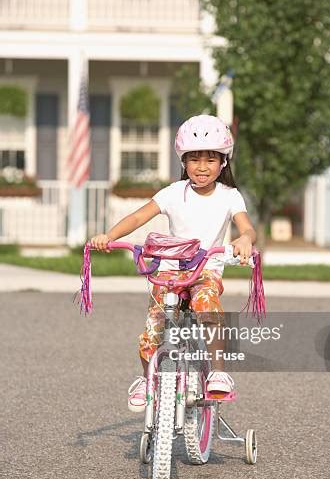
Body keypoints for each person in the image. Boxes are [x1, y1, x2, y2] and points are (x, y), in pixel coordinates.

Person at [90, 114, 256, 412]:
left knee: (207, 304)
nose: (202, 167)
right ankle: (146, 379)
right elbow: (139, 216)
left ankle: (218, 372)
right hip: (170, 270)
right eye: (194, 159)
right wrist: (109, 235)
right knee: (155, 322)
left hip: (205, 270)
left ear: (223, 163)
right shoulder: (172, 194)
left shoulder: (229, 197)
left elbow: (247, 227)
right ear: (183, 162)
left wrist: (245, 239)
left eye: (210, 159)